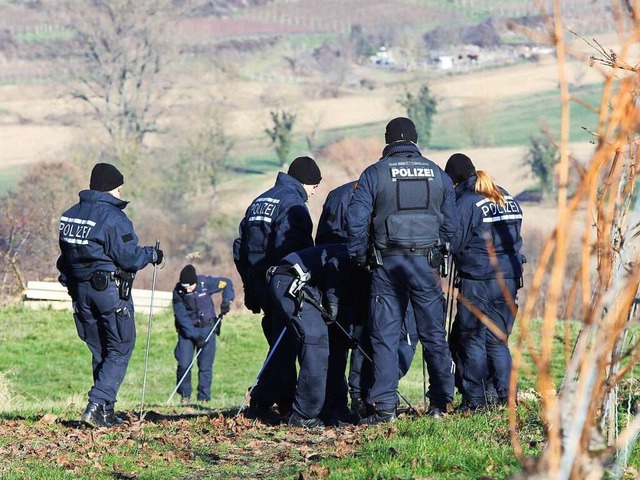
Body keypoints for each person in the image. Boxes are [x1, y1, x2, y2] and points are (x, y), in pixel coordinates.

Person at [346, 117, 460, 424]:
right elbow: (453, 224)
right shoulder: (438, 174)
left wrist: (360, 257)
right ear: (414, 139)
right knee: (434, 334)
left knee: (384, 335)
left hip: (386, 264)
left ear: (387, 141)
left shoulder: (374, 173)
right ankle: (440, 402)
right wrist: (441, 250)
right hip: (426, 265)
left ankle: (384, 407)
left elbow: (355, 221)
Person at [56, 162, 163, 428]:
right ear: (111, 187)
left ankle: (105, 411)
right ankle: (95, 405)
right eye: (119, 188)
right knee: (120, 346)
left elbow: (64, 259)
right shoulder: (113, 217)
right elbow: (128, 257)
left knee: (100, 349)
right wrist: (151, 254)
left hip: (80, 292)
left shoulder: (70, 216)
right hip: (109, 292)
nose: (120, 193)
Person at [315, 180, 419, 418]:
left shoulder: (336, 194)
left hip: (339, 275)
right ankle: (362, 398)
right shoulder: (381, 191)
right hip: (368, 272)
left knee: (340, 342)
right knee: (367, 336)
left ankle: (339, 402)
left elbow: (323, 239)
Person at [233, 156, 322, 421]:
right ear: (306, 182)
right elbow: (295, 249)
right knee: (286, 344)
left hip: (259, 281)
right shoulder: (293, 204)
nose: (314, 192)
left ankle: (284, 401)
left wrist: (250, 285)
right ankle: (261, 400)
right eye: (314, 186)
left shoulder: (260, 200)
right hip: (282, 283)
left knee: (278, 339)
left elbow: (240, 246)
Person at [444, 153, 525, 412]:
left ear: (454, 180)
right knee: (497, 340)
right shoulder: (505, 196)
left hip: (478, 280)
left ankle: (476, 401)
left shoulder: (466, 202)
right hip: (510, 279)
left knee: (472, 339)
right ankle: (507, 397)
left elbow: (454, 242)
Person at [266, 243, 355, 427]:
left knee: (333, 345)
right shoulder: (355, 253)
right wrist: (333, 303)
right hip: (292, 279)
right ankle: (303, 416)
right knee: (316, 342)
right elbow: (333, 266)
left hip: (304, 283)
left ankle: (332, 409)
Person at [172, 264, 234, 403]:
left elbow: (227, 283)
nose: (187, 289)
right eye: (184, 286)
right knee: (184, 364)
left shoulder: (205, 283)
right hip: (187, 332)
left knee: (205, 366)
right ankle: (185, 395)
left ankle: (203, 399)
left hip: (207, 329)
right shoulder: (178, 292)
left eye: (190, 286)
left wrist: (226, 302)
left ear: (195, 282)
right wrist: (195, 335)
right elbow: (181, 317)